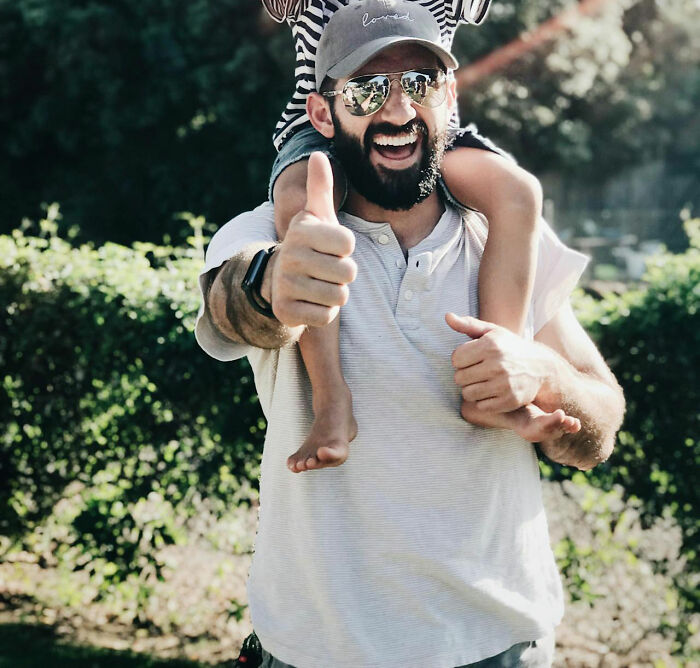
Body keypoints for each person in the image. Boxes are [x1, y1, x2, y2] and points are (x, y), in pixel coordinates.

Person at [196, 1, 626, 665]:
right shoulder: (271, 234)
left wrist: (539, 375)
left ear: (448, 96)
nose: (398, 110)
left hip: (500, 647)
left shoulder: (505, 236)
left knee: (516, 192)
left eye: (420, 84)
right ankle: (331, 404)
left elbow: (601, 423)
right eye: (367, 90)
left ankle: (490, 394)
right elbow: (233, 305)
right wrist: (275, 284)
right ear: (325, 112)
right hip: (320, 653)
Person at [261, 0, 580, 474]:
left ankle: (495, 383)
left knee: (518, 192)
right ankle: (330, 400)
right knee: (303, 202)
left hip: (430, 126)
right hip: (322, 124)